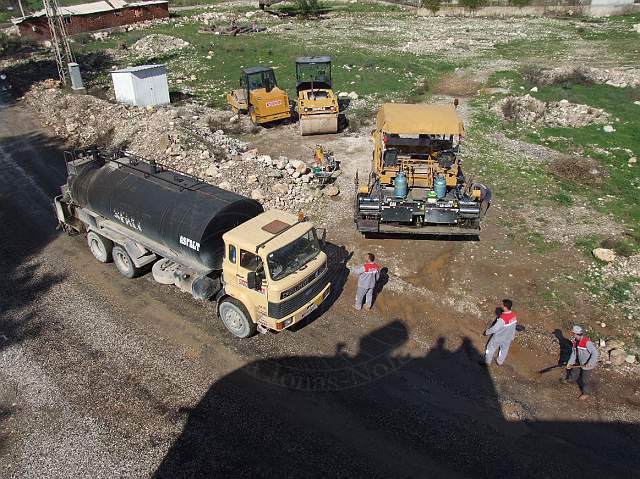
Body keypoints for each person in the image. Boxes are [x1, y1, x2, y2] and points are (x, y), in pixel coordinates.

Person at [564, 325, 598, 400]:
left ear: (577, 334)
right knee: (574, 372)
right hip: (579, 362)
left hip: (588, 365)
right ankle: (571, 380)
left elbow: (595, 353)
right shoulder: (575, 341)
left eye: (573, 333)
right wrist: (570, 362)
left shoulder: (586, 342)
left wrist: (589, 363)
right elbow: (574, 352)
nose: (572, 335)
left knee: (585, 380)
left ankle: (586, 393)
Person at [483, 299, 518, 366]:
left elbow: (494, 329)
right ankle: (500, 362)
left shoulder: (502, 319)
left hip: (498, 338)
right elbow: (514, 327)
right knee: (504, 350)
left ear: (505, 307)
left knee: (490, 348)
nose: (500, 305)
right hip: (508, 338)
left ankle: (487, 362)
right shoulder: (514, 315)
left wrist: (487, 332)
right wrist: (512, 336)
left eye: (502, 304)